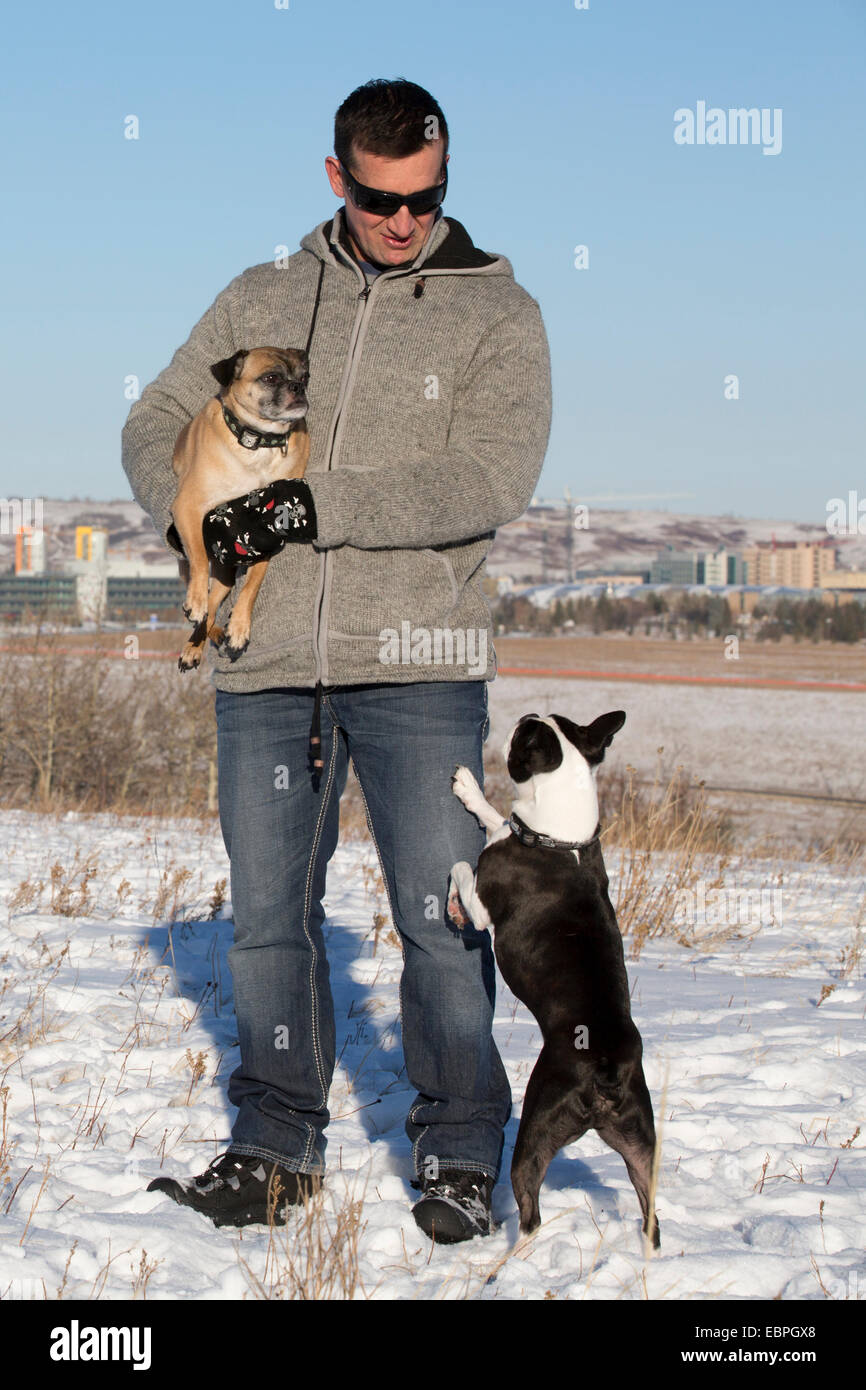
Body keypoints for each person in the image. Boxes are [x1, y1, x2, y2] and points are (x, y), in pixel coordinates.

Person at [122, 77, 552, 1243]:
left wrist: (308, 507)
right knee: (265, 919)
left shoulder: (495, 315)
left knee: (438, 915)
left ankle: (460, 1150)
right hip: (264, 670)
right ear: (335, 179)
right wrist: (200, 520)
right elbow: (153, 418)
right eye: (378, 199)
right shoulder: (262, 292)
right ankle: (272, 1145)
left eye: (426, 197)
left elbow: (484, 482)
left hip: (419, 658)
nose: (403, 221)